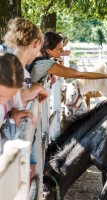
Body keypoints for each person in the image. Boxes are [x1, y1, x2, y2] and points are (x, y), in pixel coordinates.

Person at [4, 17, 48, 183]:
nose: (38, 55)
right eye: (39, 49)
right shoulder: (10, 66)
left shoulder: (21, 68)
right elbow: (20, 95)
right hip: (9, 138)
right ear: (36, 43)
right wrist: (37, 89)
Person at [28, 31, 107, 83]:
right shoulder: (47, 64)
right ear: (48, 50)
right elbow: (79, 74)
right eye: (59, 49)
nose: (62, 51)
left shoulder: (39, 61)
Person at [0, 52, 35, 154]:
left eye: (9, 97)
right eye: (0, 96)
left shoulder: (12, 92)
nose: (3, 102)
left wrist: (15, 113)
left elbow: (10, 111)